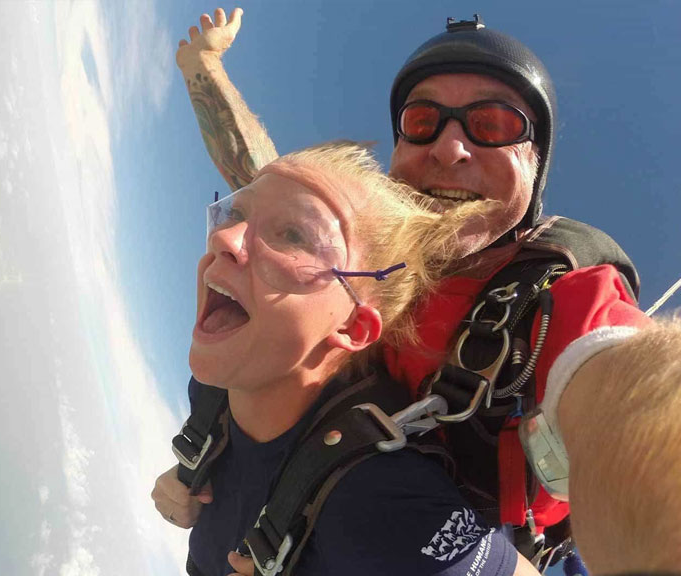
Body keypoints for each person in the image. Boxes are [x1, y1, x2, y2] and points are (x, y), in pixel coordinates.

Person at [157, 8, 681, 575]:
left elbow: (630, 387)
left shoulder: (556, 298)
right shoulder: (366, 248)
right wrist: (202, 66)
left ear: (535, 170)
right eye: (424, 119)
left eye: (495, 125)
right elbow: (264, 182)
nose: (450, 147)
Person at [170, 140, 538, 576]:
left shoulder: (380, 500)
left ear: (352, 328)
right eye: (237, 213)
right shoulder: (217, 392)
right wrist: (183, 476)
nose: (224, 238)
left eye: (295, 235)